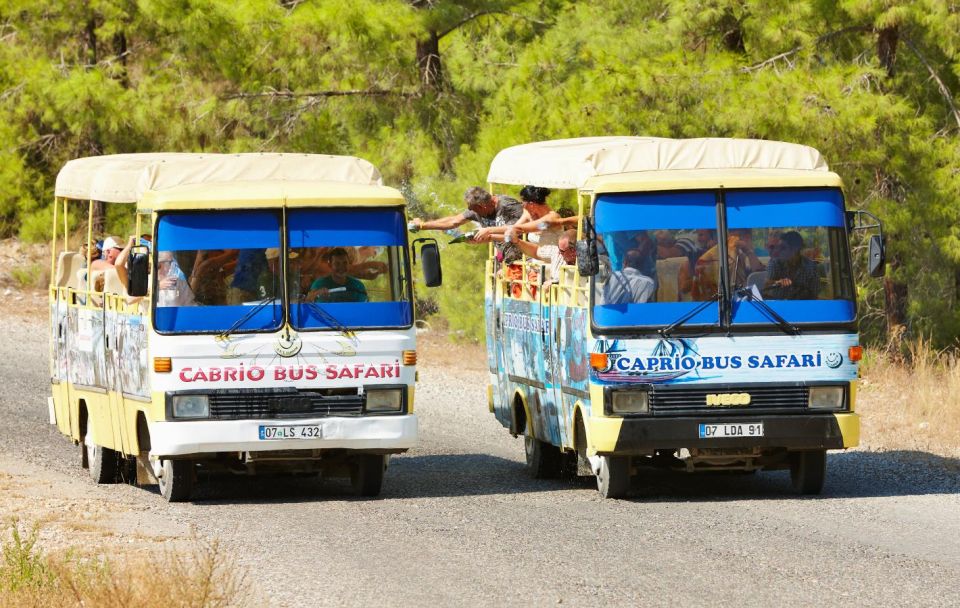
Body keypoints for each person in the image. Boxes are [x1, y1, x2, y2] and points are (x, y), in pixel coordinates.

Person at [410, 186, 523, 262]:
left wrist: (489, 232)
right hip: (506, 258)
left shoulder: (507, 205)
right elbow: (453, 221)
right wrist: (422, 225)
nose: (471, 211)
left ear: (482, 205)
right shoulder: (477, 210)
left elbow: (521, 229)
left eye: (472, 208)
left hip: (524, 257)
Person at [762, 231, 820, 300]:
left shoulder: (811, 267)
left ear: (795, 249)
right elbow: (766, 287)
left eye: (783, 247)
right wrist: (777, 282)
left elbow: (814, 295)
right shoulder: (775, 262)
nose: (778, 250)